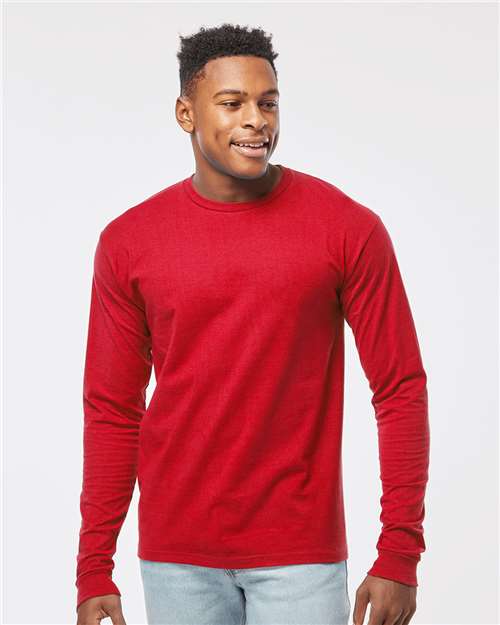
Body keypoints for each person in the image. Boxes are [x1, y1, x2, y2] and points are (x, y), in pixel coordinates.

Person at [75, 22, 430, 625]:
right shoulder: (129, 242)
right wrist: (93, 566)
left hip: (302, 556)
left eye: (267, 103)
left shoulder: (347, 229)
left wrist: (400, 552)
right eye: (232, 102)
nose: (255, 121)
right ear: (186, 114)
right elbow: (112, 409)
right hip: (177, 558)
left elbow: (400, 389)